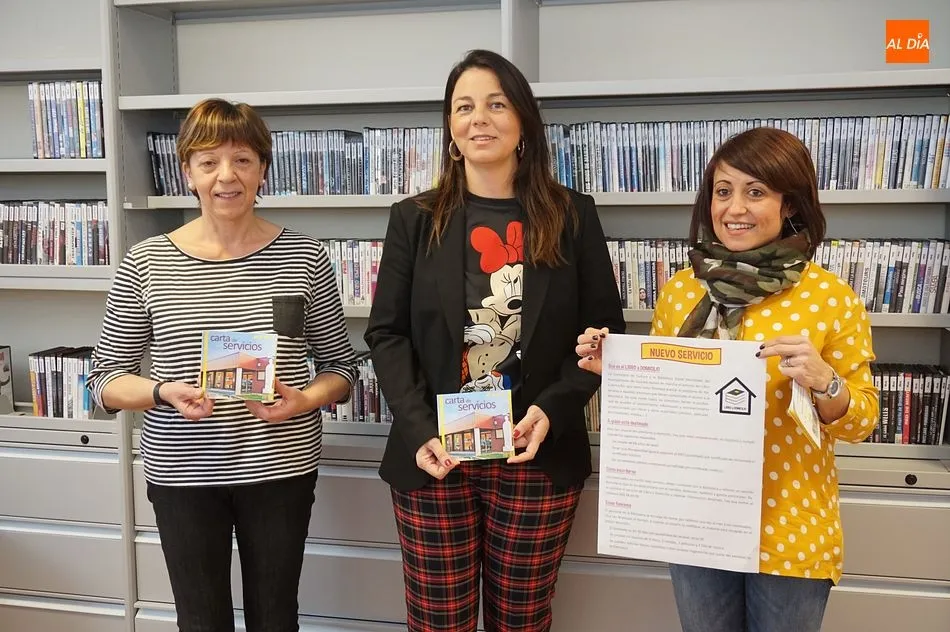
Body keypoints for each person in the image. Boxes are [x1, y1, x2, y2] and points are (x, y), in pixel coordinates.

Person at [577, 126, 879, 632]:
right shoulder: (681, 292)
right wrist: (624, 372)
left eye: (755, 192)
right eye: (723, 191)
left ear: (790, 204)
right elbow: (665, 407)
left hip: (789, 526)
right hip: (697, 522)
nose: (734, 207)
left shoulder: (829, 297)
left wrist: (828, 383)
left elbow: (861, 422)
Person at [364, 49, 625, 632]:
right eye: (464, 107)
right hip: (436, 456)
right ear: (451, 130)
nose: (479, 118)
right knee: (437, 623)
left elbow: (605, 335)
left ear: (523, 122)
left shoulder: (572, 215)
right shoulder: (414, 218)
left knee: (523, 622)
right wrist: (418, 427)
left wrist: (551, 410)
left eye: (496, 104)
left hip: (535, 453)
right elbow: (386, 333)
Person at [86, 98, 357, 632]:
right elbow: (104, 381)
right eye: (208, 162)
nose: (225, 176)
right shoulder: (148, 261)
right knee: (201, 619)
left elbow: (342, 371)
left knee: (276, 617)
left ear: (262, 169)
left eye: (242, 160)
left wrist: (305, 399)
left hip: (281, 468)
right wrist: (164, 391)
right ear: (187, 172)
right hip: (182, 472)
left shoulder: (306, 256)